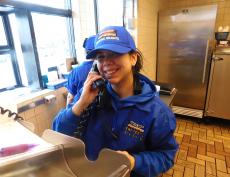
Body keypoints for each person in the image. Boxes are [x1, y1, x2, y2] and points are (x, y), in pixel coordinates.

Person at [53, 26, 178, 177]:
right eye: (100, 57)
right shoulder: (89, 96)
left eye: (114, 54)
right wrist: (81, 104)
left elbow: (166, 156)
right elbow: (58, 131)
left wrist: (134, 161)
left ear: (133, 58)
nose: (106, 62)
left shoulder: (157, 112)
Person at [66, 35, 96, 106]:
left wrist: (68, 113)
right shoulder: (106, 69)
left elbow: (70, 97)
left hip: (81, 110)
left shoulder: (75, 72)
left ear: (85, 52)